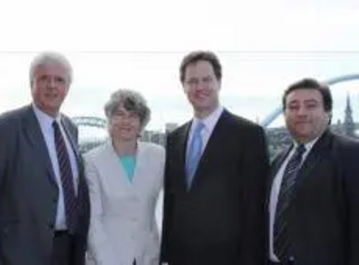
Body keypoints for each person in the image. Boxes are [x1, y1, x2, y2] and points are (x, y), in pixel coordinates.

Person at [0, 52, 90, 265]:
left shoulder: (70, 128)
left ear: (67, 88)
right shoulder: (4, 128)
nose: (52, 85)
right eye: (44, 78)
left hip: (68, 250)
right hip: (20, 255)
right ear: (31, 84)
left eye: (59, 80)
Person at [160, 50, 269, 265]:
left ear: (219, 82)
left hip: (229, 257)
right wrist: (167, 256)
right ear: (183, 87)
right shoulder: (174, 138)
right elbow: (171, 206)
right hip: (182, 257)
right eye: (192, 81)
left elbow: (255, 209)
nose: (199, 87)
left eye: (206, 79)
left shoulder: (248, 134)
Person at [267, 78, 359, 265]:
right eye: (293, 106)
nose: (301, 113)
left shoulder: (351, 154)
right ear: (284, 114)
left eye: (311, 105)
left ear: (328, 112)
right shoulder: (278, 161)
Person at [84, 89, 165, 265]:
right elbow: (93, 221)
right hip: (106, 258)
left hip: (148, 257)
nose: (126, 121)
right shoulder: (92, 161)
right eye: (119, 114)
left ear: (141, 123)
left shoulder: (158, 156)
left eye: (133, 116)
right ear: (109, 119)